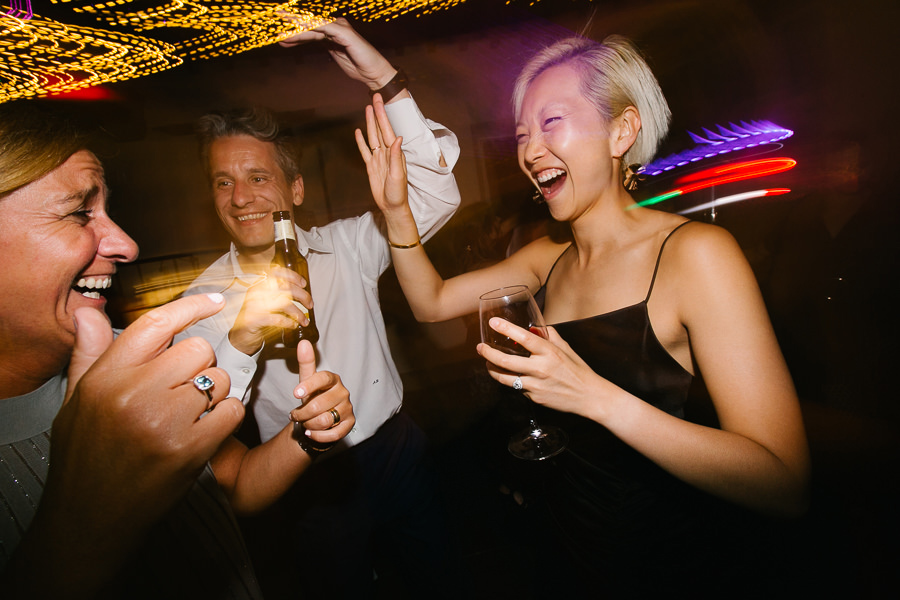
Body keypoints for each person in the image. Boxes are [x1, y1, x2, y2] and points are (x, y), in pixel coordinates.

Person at [359, 34, 811, 594]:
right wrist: (397, 212)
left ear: (622, 131)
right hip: (561, 550)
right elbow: (430, 305)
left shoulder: (695, 256)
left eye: (551, 123)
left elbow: (783, 481)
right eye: (523, 134)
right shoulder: (545, 260)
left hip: (662, 565)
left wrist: (593, 396)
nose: (529, 151)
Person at [0, 100, 354, 599]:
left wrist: (308, 436)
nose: (125, 244)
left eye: (108, 212)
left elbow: (233, 483)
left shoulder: (128, 360)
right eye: (80, 213)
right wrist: (86, 510)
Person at [178, 18, 461, 598]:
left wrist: (385, 80)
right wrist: (241, 337)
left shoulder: (349, 244)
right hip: (305, 475)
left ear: (296, 189)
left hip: (396, 451)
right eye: (222, 182)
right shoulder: (201, 302)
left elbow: (436, 194)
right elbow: (197, 423)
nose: (240, 197)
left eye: (258, 176)